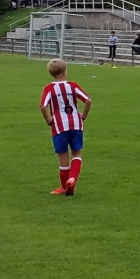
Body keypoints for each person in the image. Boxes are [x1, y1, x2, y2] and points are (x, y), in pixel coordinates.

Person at [40, 58, 92, 196]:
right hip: (76, 124)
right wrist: (83, 116)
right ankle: (72, 179)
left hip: (59, 126)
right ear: (64, 72)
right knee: (76, 154)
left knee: (63, 157)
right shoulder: (73, 86)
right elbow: (88, 100)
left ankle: (65, 187)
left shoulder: (49, 88)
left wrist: (49, 120)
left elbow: (43, 106)